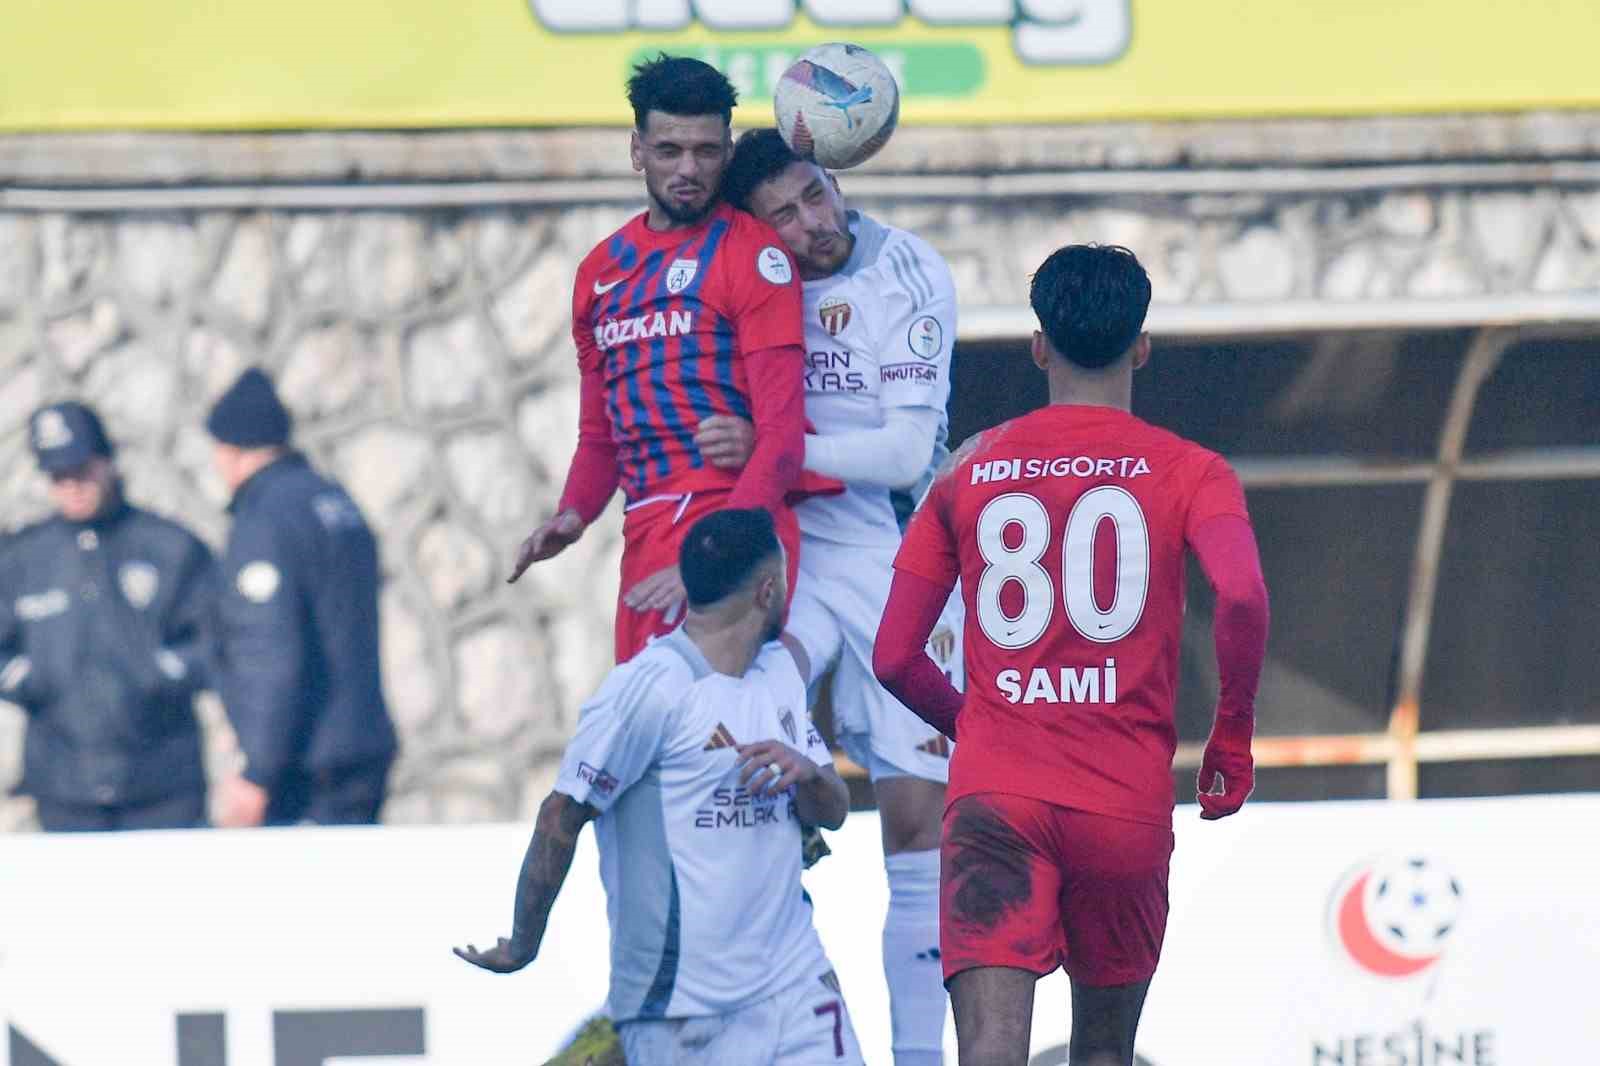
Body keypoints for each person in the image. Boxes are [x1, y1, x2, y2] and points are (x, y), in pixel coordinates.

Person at [873, 245, 1270, 1066]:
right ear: (1142, 347)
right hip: (1121, 806)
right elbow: (1242, 597)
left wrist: (984, 725)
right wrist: (1230, 735)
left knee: (989, 1052)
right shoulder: (1195, 471)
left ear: (1039, 346)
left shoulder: (969, 469)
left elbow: (894, 657)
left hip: (996, 801)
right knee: (1103, 1056)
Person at [701, 127, 966, 1065]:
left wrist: (772, 454)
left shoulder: (907, 271)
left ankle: (921, 1056)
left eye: (818, 195)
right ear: (756, 228)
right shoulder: (739, 277)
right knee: (736, 741)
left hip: (899, 561)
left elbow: (901, 454)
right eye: (787, 213)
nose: (816, 224)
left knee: (916, 821)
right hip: (791, 558)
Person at [457, 508, 865, 1066]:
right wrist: (524, 942)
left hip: (794, 986)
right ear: (768, 590)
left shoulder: (778, 677)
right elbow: (560, 815)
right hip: (680, 1010)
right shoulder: (648, 688)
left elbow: (835, 811)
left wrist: (811, 772)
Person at [507, 54, 825, 664]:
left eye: (707, 151)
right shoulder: (600, 273)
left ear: (727, 152)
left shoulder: (754, 254)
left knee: (723, 740)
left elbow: (782, 440)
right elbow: (602, 437)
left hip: (732, 526)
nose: (688, 169)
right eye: (669, 149)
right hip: (648, 534)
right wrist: (573, 514)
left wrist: (716, 561)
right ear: (637, 150)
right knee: (653, 738)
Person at [0, 401, 214, 831]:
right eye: (59, 476)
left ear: (108, 463)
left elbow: (216, 642)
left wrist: (163, 672)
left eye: (82, 470)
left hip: (162, 783)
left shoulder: (170, 548)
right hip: (64, 786)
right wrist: (27, 677)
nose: (73, 486)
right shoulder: (22, 559)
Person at [206, 368, 397, 828]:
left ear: (231, 451)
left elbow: (270, 654)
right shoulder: (335, 502)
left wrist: (258, 771)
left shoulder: (265, 520)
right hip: (359, 747)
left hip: (307, 766)